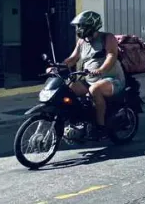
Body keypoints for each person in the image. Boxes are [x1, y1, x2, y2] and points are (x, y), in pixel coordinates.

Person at [53, 10, 125, 140]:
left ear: (92, 25)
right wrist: (58, 66)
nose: (79, 29)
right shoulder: (82, 42)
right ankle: (78, 120)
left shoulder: (107, 38)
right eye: (78, 26)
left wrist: (101, 69)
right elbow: (73, 58)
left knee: (94, 89)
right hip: (89, 79)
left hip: (111, 79)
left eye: (82, 26)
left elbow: (112, 55)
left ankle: (100, 127)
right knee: (68, 86)